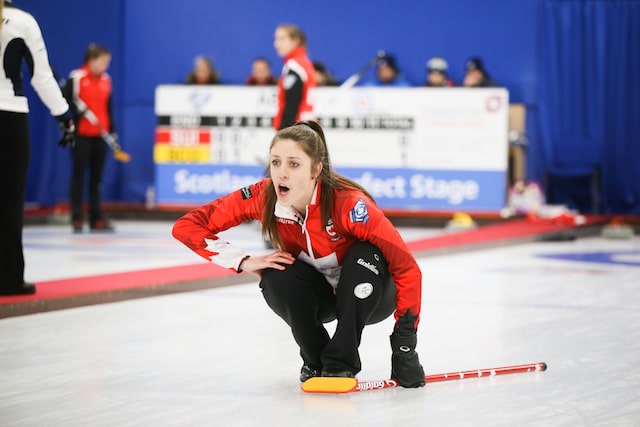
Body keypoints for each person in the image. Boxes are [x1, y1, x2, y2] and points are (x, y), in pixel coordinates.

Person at [172, 120, 426, 388]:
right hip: (322, 298)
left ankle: (342, 361)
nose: (281, 173)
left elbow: (407, 269)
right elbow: (186, 226)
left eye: (293, 164)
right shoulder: (264, 196)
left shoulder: (349, 205)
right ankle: (315, 359)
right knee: (275, 274)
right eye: (275, 162)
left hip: (372, 296)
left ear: (316, 169)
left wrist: (404, 348)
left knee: (363, 252)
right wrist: (243, 261)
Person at [0, 0, 75, 296]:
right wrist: (65, 116)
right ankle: (8, 278)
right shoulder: (22, 21)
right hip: (9, 117)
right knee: (9, 200)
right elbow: (42, 77)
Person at [61, 44, 116, 233]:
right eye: (103, 62)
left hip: (100, 136)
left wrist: (112, 131)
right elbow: (64, 99)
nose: (105, 66)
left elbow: (108, 108)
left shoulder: (106, 80)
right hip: (81, 135)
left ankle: (96, 217)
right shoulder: (76, 77)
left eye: (107, 62)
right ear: (91, 60)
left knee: (97, 178)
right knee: (79, 176)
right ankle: (76, 217)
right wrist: (78, 110)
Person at [272, 24, 316, 130]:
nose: (276, 44)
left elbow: (291, 102)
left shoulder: (294, 65)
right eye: (276, 39)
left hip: (295, 129)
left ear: (295, 40)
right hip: (305, 126)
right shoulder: (305, 62)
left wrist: (284, 131)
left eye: (282, 39)